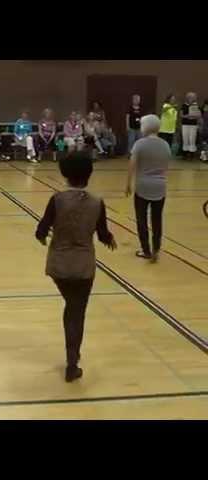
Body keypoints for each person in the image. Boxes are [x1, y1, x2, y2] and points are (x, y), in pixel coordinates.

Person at [36, 151, 116, 383]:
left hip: (59, 265)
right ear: (89, 174)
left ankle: (73, 357)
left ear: (64, 174)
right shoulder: (97, 202)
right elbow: (102, 234)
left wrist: (44, 236)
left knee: (71, 307)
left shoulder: (57, 199)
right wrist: (110, 240)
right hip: (83, 266)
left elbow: (41, 231)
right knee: (76, 311)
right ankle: (72, 362)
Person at [125, 115, 171, 263]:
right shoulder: (165, 145)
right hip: (160, 186)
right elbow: (165, 166)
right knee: (157, 219)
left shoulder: (140, 144)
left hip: (143, 186)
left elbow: (132, 165)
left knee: (141, 219)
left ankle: (146, 251)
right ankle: (156, 248)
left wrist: (128, 184)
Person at [180, 92, 201, 159]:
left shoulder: (196, 105)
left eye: (193, 97)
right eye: (191, 97)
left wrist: (195, 116)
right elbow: (181, 115)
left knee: (192, 138)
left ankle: (191, 154)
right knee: (185, 138)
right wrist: (187, 116)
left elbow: (199, 115)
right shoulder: (184, 105)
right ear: (188, 98)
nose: (192, 98)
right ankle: (185, 154)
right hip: (185, 124)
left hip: (193, 125)